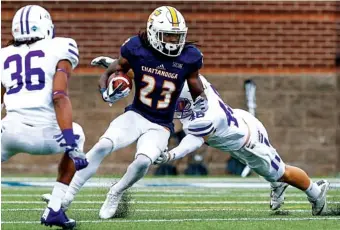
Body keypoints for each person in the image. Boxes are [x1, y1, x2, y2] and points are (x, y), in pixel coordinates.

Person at [42, 6, 208, 219]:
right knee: (103, 145)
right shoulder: (136, 48)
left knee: (143, 161)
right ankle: (66, 197)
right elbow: (112, 70)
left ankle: (116, 191)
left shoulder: (189, 57)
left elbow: (196, 88)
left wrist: (201, 102)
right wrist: (106, 91)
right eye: (168, 35)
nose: (173, 42)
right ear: (153, 33)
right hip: (136, 115)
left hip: (161, 124)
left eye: (177, 37)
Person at [154, 75, 330, 216]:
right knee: (271, 172)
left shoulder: (206, 119)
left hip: (250, 143)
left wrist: (171, 155)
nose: (175, 105)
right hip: (239, 128)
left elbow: (192, 141)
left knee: (284, 173)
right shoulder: (202, 89)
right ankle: (277, 183)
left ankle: (316, 193)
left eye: (179, 101)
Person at [1, 5, 88, 228]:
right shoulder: (62, 46)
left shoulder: (3, 55)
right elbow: (59, 96)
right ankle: (55, 209)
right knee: (78, 134)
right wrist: (70, 143)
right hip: (47, 137)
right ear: (46, 27)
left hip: (9, 132)